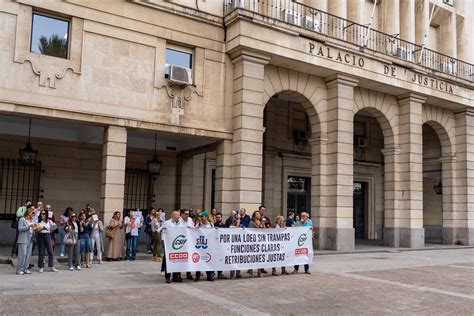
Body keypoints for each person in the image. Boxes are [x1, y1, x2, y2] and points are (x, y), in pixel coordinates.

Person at [159, 210, 185, 283]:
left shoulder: (181, 223)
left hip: (179, 245)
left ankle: (176, 276)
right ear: (173, 216)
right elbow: (161, 231)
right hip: (169, 244)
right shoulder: (167, 223)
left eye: (179, 215)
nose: (179, 217)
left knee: (178, 260)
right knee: (169, 260)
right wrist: (163, 241)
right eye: (178, 215)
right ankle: (167, 277)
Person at [195, 211, 215, 282]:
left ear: (206, 217)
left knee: (209, 260)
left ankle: (210, 275)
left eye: (202, 216)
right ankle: (197, 276)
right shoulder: (199, 224)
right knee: (199, 259)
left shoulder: (211, 225)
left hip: (209, 245)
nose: (200, 218)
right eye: (200, 216)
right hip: (200, 244)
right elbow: (194, 232)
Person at [16, 206, 36, 275]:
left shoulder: (32, 220)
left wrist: (35, 227)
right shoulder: (22, 219)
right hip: (23, 239)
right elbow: (20, 229)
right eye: (32, 213)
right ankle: (19, 269)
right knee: (23, 254)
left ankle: (25, 268)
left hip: (30, 239)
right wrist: (28, 227)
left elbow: (33, 229)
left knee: (28, 255)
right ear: (28, 213)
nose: (33, 214)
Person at [248, 210, 264, 277]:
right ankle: (251, 271)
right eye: (257, 214)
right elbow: (249, 230)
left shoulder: (262, 222)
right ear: (254, 216)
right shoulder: (251, 222)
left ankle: (259, 272)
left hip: (260, 241)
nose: (258, 215)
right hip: (253, 241)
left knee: (260, 257)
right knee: (253, 257)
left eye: (259, 214)